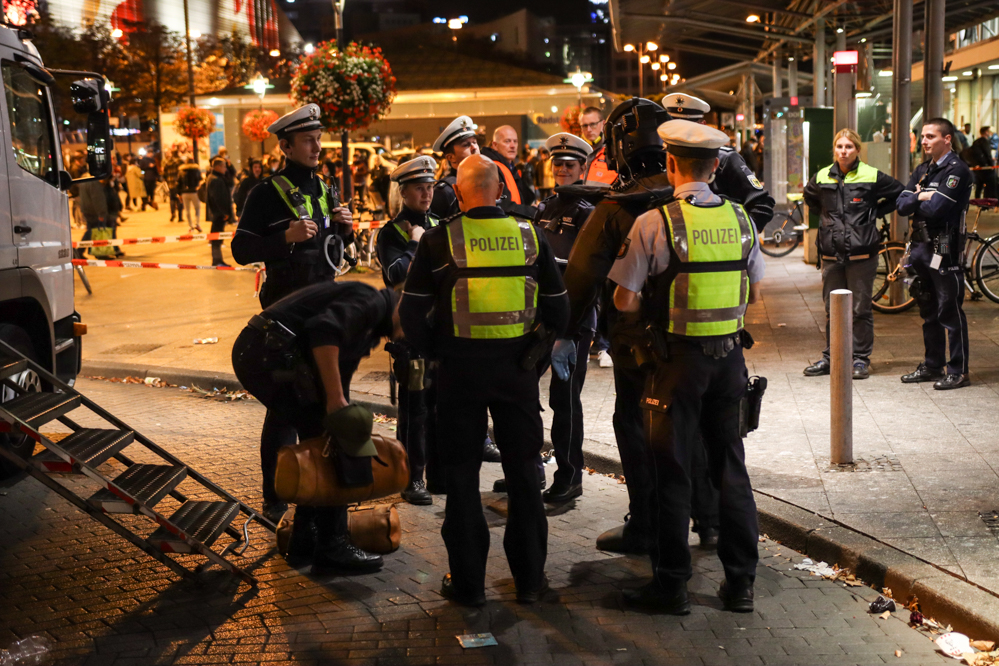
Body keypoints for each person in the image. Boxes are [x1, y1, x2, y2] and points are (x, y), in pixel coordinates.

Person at [399, 154, 569, 607]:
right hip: (517, 373)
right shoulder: (531, 236)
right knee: (524, 479)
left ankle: (470, 586)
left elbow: (411, 315)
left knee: (460, 478)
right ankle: (530, 582)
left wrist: (439, 353)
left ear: (456, 192)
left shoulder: (438, 241)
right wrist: (533, 361)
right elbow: (559, 311)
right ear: (500, 190)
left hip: (459, 374)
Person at [608, 119, 764, 614]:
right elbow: (754, 294)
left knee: (672, 472)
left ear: (671, 165)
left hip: (675, 366)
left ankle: (672, 585)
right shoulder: (742, 220)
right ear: (716, 167)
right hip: (730, 361)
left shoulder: (655, 223)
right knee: (730, 471)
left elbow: (625, 301)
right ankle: (740, 585)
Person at [558, 97, 672, 556]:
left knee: (633, 422)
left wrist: (563, 332)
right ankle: (707, 519)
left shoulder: (614, 208)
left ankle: (647, 525)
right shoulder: (699, 198)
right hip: (698, 342)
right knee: (690, 426)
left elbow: (579, 280)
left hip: (635, 343)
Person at [231, 104, 355, 522]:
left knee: (317, 406)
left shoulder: (326, 186)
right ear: (285, 146)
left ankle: (314, 490)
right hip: (285, 319)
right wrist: (284, 235)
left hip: (322, 315)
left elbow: (333, 249)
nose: (317, 146)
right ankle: (276, 493)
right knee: (285, 408)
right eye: (307, 139)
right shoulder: (265, 193)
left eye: (319, 138)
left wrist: (346, 228)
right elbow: (240, 249)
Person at [231, 281, 394, 574]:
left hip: (263, 351)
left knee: (324, 437)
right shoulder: (371, 302)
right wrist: (335, 402)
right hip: (267, 353)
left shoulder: (371, 321)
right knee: (330, 444)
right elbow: (324, 332)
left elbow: (338, 369)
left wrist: (340, 411)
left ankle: (305, 540)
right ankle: (332, 546)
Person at [802, 129, 904, 380]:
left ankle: (860, 359)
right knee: (831, 309)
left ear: (857, 149)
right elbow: (810, 198)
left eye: (849, 146)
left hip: (862, 254)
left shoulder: (871, 175)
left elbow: (900, 193)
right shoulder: (822, 176)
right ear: (834, 149)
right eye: (839, 146)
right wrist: (827, 219)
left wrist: (875, 212)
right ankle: (831, 356)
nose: (843, 151)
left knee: (860, 310)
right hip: (830, 254)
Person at [532, 132, 595, 505]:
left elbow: (587, 278)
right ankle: (530, 468)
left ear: (583, 167)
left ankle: (569, 476)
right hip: (542, 319)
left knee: (565, 401)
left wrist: (570, 332)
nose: (562, 170)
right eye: (557, 164)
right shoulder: (546, 207)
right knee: (524, 394)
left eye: (569, 165)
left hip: (572, 324)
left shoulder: (589, 212)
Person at [375, 155, 441, 505]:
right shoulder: (391, 233)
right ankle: (412, 476)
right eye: (419, 188)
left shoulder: (439, 223)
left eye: (430, 186)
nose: (427, 194)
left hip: (438, 327)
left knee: (436, 406)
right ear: (404, 192)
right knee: (413, 410)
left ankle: (435, 470)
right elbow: (396, 274)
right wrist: (417, 243)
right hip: (410, 330)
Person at [897, 118, 974, 390]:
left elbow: (937, 209)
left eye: (930, 136)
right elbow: (901, 205)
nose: (924, 141)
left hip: (944, 246)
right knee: (928, 309)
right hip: (920, 247)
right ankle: (932, 365)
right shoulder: (923, 170)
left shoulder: (957, 171)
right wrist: (920, 196)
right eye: (923, 136)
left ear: (947, 139)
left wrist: (919, 199)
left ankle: (957, 370)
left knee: (949, 310)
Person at [662, 93, 776, 232]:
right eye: (675, 128)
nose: (682, 136)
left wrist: (734, 241)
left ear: (703, 126)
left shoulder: (725, 159)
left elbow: (762, 205)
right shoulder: (656, 160)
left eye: (689, 128)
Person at [480, 125, 537, 217]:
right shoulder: (491, 168)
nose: (512, 146)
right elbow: (504, 205)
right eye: (507, 141)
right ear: (495, 145)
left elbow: (526, 198)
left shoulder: (509, 167)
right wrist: (532, 211)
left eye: (515, 141)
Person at [430, 115, 480, 220]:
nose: (474, 147)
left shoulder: (486, 181)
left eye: (475, 142)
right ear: (451, 157)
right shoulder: (444, 192)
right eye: (466, 145)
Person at [205, 158, 233, 267]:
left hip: (217, 213)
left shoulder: (217, 178)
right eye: (224, 166)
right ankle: (217, 260)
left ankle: (218, 260)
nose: (225, 169)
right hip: (218, 214)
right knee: (216, 237)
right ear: (217, 167)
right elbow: (218, 198)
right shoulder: (216, 179)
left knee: (217, 236)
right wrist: (224, 213)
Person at [580, 106, 617, 187]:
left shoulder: (614, 153)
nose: (589, 130)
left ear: (603, 124)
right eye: (585, 126)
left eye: (593, 124)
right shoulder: (578, 155)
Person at [176, 157, 203, 232]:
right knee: (197, 208)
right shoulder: (196, 170)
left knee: (187, 210)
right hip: (194, 192)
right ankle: (197, 224)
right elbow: (200, 180)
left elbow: (178, 183)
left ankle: (191, 226)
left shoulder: (181, 171)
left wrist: (179, 194)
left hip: (184, 193)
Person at [972, 127, 997, 199]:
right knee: (990, 185)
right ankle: (988, 202)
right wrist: (991, 164)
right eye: (988, 131)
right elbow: (987, 154)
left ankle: (977, 202)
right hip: (986, 167)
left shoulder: (976, 142)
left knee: (979, 186)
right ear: (986, 132)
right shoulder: (985, 141)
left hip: (978, 168)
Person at [162, 148, 182, 222]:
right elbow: (181, 173)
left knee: (172, 199)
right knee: (179, 199)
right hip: (177, 183)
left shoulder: (167, 162)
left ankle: (173, 213)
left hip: (170, 184)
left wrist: (167, 180)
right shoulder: (179, 162)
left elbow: (164, 174)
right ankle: (180, 217)